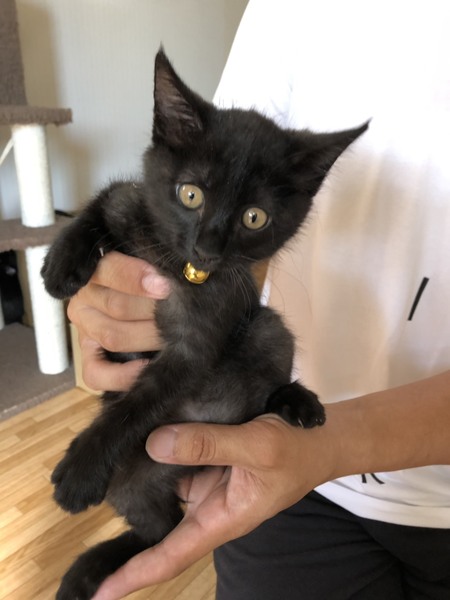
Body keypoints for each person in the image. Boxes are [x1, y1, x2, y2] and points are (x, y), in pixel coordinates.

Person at [67, 1, 450, 598]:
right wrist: (108, 295)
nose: (211, 243)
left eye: (252, 218)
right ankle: (146, 528)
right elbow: (211, 161)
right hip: (280, 463)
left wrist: (330, 446)